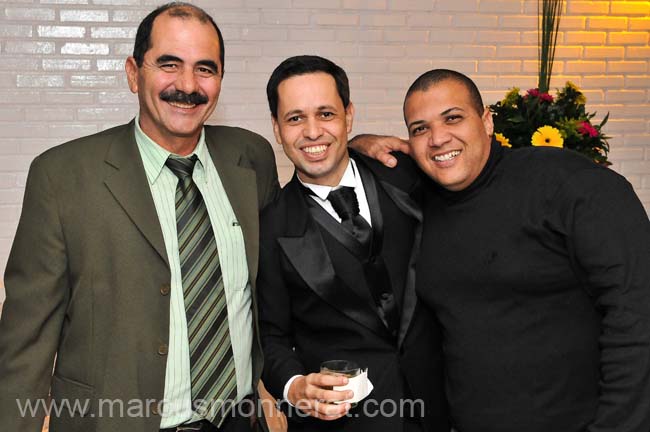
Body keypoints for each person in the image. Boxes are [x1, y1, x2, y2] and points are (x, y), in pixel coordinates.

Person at [0, 3, 285, 431]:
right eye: (169, 64)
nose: (187, 85)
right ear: (134, 72)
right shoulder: (61, 177)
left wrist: (361, 149)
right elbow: (26, 345)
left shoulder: (252, 158)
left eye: (205, 69)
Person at [365, 68, 650, 432]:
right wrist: (358, 142)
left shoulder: (570, 185)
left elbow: (636, 316)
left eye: (453, 118)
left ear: (486, 121)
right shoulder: (423, 202)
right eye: (420, 128)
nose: (437, 138)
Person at [256, 55, 449, 432]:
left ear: (349, 116)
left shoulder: (409, 175)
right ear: (277, 130)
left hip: (444, 405)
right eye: (295, 118)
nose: (312, 132)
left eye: (325, 114)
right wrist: (294, 387)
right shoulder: (268, 227)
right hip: (348, 422)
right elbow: (269, 335)